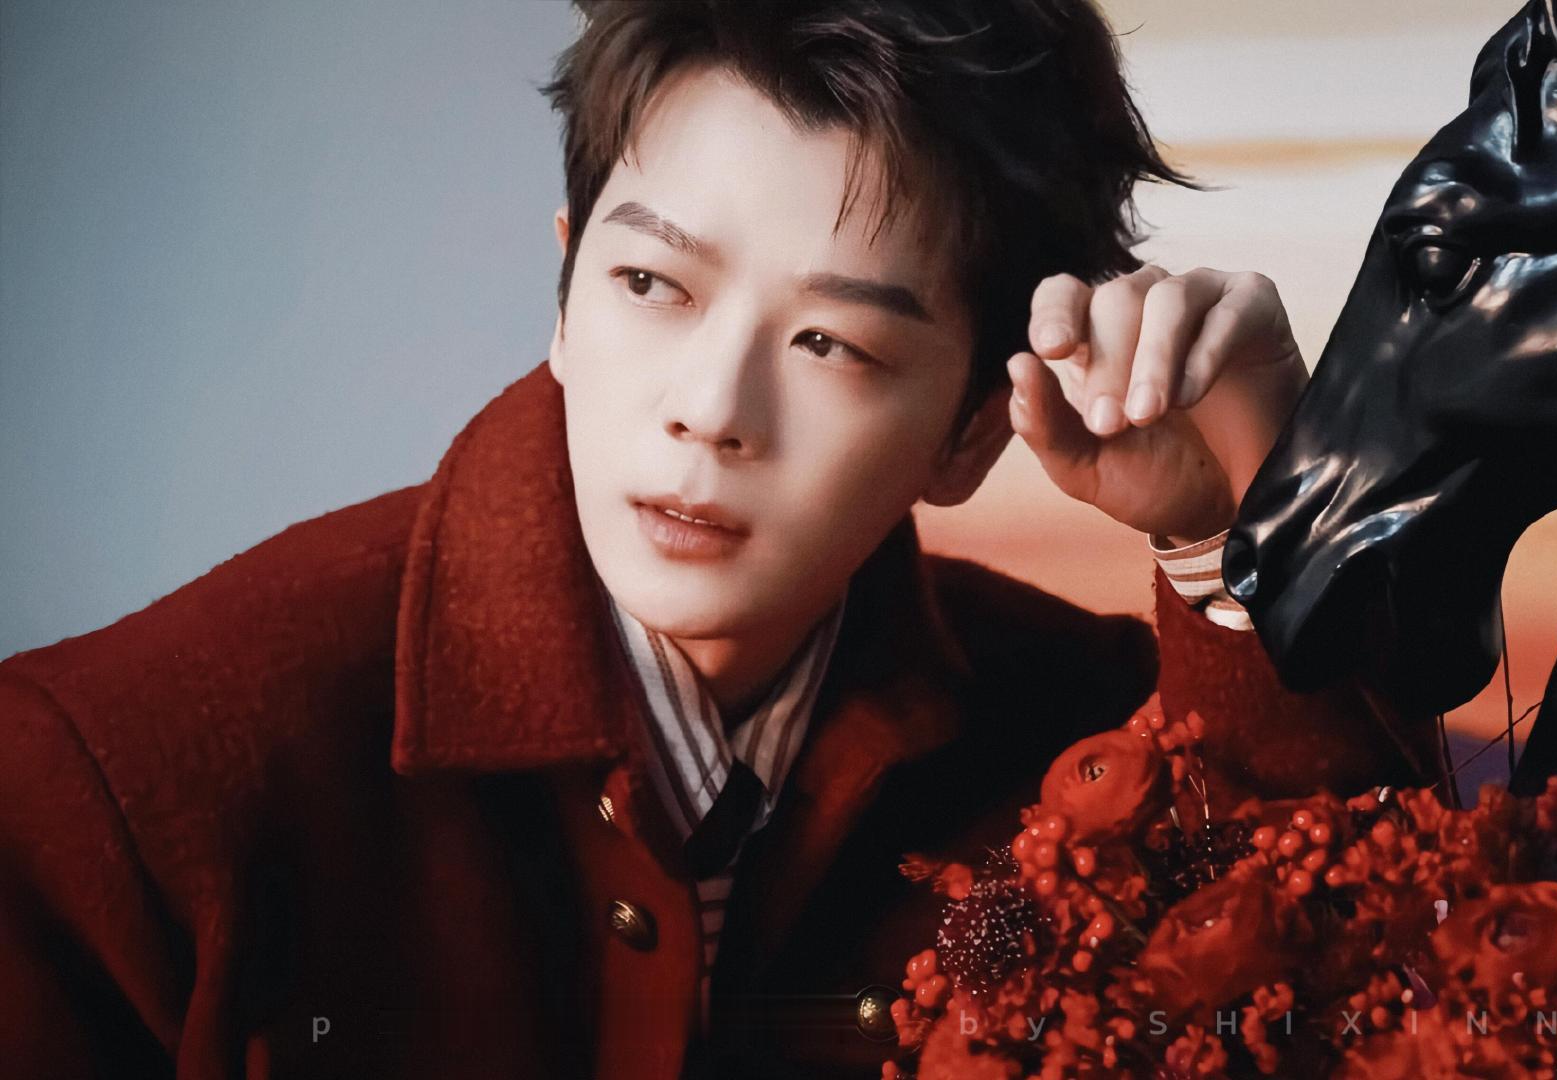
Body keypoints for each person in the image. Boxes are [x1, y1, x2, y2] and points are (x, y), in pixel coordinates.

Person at [0, 1, 1437, 1075]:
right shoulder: (114, 779)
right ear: (564, 291)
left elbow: (1370, 979)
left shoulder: (1083, 731)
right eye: (650, 284)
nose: (710, 410)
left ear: (970, 433)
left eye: (831, 344)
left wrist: (1234, 524)